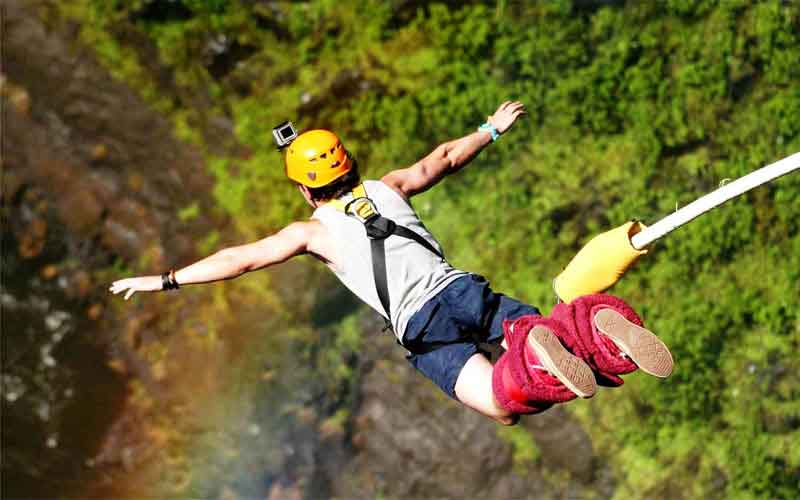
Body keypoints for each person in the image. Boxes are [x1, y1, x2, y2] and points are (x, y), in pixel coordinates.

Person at [110, 101, 673, 426]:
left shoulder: (310, 234)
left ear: (305, 192)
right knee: (544, 331)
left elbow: (239, 260)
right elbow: (444, 159)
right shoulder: (390, 186)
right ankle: (592, 327)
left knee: (502, 403)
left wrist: (167, 279)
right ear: (351, 166)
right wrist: (491, 129)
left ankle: (533, 357)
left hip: (423, 328)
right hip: (461, 290)